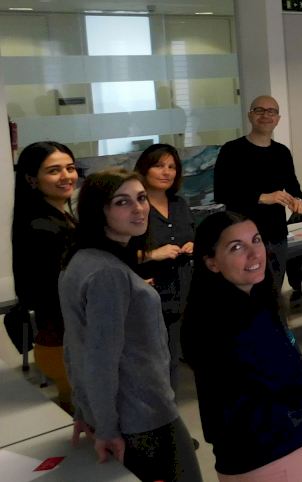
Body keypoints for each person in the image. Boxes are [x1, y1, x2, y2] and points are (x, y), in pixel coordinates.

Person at [183, 211, 302, 481]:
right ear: (211, 262)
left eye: (256, 240)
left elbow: (269, 370)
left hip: (246, 457)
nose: (255, 253)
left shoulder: (212, 310)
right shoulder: (239, 321)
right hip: (275, 457)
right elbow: (299, 391)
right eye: (236, 247)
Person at [59, 168, 202, 481]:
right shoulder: (108, 274)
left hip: (129, 412)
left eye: (141, 198)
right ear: (99, 210)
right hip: (143, 416)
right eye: (122, 202)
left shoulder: (82, 258)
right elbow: (99, 359)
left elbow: (75, 345)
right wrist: (106, 428)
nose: (139, 209)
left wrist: (85, 409)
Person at [214, 95, 302, 292]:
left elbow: (293, 186)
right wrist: (262, 197)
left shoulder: (282, 152)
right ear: (250, 115)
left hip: (277, 236)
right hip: (243, 238)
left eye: (271, 111)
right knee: (246, 295)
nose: (265, 115)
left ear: (278, 119)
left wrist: (298, 201)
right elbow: (222, 192)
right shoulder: (232, 150)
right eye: (259, 110)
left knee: (273, 293)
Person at [11, 141, 77, 411]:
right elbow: (62, 289)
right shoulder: (42, 227)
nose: (66, 176)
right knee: (85, 415)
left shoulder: (59, 217)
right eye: (54, 170)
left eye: (70, 168)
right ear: (31, 179)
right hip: (64, 337)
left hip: (64, 337)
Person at [133, 143, 196, 392]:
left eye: (172, 167)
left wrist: (193, 245)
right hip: (148, 295)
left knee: (171, 362)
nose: (166, 172)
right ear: (144, 169)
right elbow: (114, 255)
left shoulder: (179, 204)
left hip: (182, 294)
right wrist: (152, 254)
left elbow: (193, 234)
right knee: (153, 364)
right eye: (159, 166)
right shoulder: (134, 206)